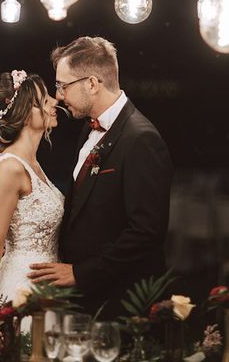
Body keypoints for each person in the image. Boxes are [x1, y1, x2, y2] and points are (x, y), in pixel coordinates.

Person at [28, 36, 173, 318]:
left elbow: (146, 232)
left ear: (92, 84)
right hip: (87, 301)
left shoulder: (141, 139)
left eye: (63, 86)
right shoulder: (89, 131)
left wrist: (82, 273)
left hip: (122, 304)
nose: (58, 96)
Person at [0, 69, 64, 307]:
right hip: (20, 291)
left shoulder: (33, 164)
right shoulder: (10, 169)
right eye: (44, 101)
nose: (55, 102)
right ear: (26, 114)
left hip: (45, 288)